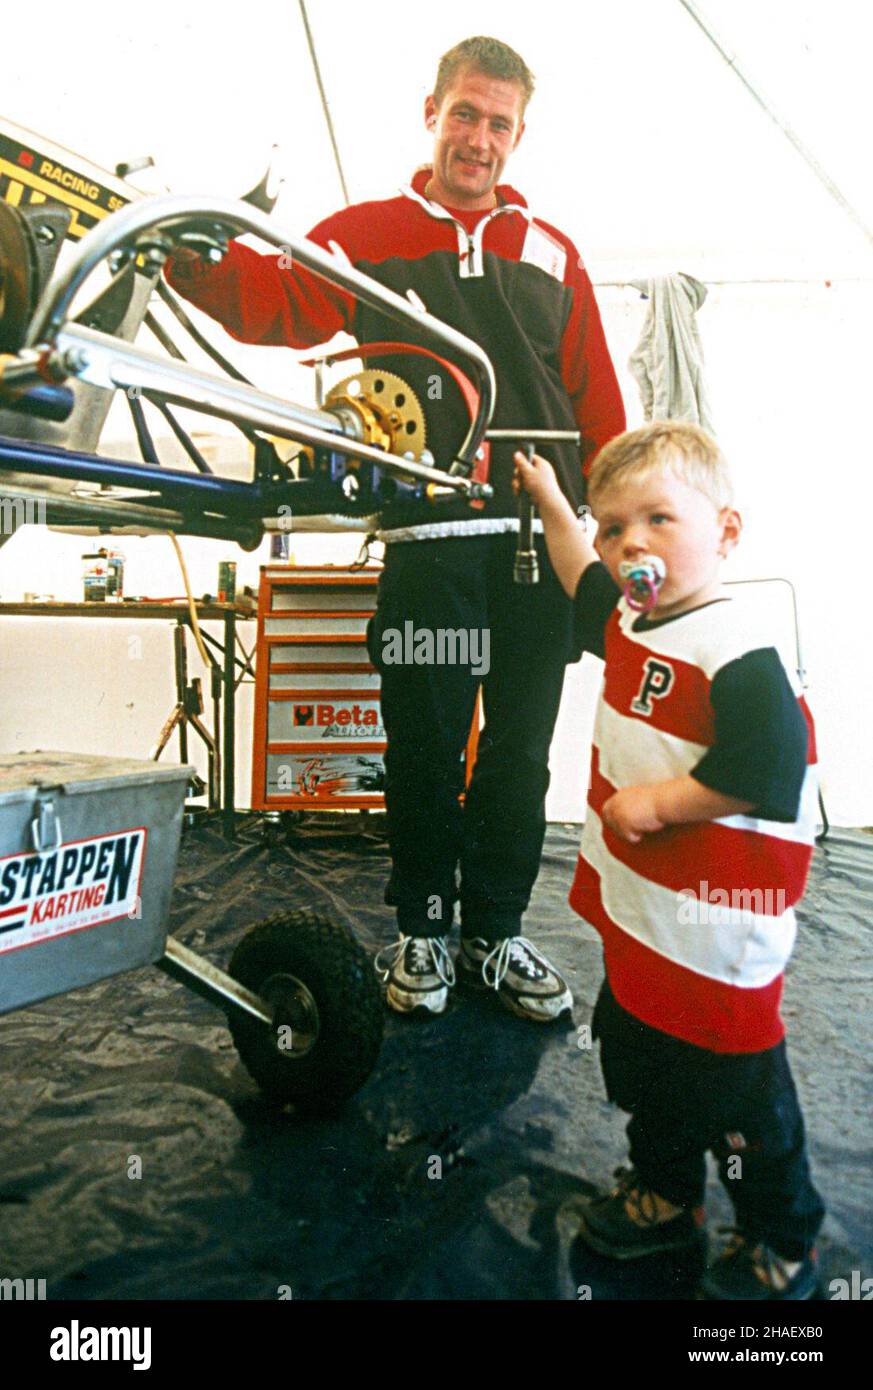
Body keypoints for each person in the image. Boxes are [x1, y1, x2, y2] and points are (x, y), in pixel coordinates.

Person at [164, 36, 626, 1021]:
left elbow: (600, 400)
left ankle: (494, 934)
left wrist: (621, 524)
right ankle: (422, 928)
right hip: (429, 547)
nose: (479, 139)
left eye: (499, 123)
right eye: (466, 114)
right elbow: (273, 300)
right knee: (423, 741)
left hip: (536, 545)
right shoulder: (364, 233)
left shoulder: (555, 253)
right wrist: (186, 261)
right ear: (432, 112)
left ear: (519, 135)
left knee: (520, 751)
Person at [515, 421, 824, 1299]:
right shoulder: (627, 618)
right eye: (613, 527)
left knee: (735, 1092)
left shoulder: (737, 644)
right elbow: (579, 575)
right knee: (645, 1058)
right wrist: (548, 501)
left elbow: (766, 766)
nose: (628, 546)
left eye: (656, 519)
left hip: (715, 925)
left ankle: (781, 1238)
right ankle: (664, 1194)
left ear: (725, 533)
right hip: (644, 919)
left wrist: (658, 803)